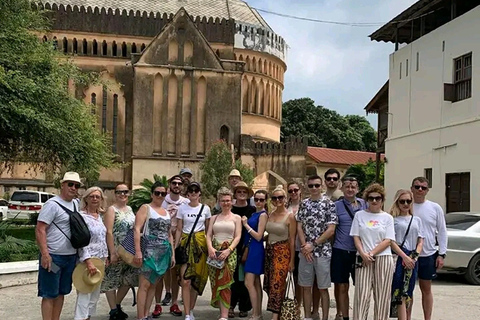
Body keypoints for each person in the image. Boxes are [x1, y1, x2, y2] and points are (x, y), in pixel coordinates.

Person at [36, 172, 82, 320]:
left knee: (62, 292)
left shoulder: (75, 203)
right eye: (70, 184)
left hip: (70, 257)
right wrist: (45, 254)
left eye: (76, 185)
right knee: (49, 294)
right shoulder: (52, 205)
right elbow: (40, 229)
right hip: (54, 258)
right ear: (62, 185)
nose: (73, 188)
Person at [350, 183, 395, 320]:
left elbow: (388, 240)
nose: (374, 201)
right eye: (371, 198)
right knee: (362, 295)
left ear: (382, 200)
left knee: (382, 296)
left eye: (378, 198)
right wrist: (363, 254)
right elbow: (356, 237)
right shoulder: (359, 215)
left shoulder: (388, 217)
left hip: (382, 257)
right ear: (367, 199)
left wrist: (371, 253)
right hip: (363, 257)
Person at [297, 175, 337, 320]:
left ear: (322, 186)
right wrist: (304, 246)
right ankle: (307, 316)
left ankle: (325, 317)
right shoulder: (304, 203)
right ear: (307, 187)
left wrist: (312, 245)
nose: (314, 188)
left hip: (323, 252)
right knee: (306, 287)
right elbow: (299, 226)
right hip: (305, 252)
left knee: (323, 288)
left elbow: (331, 229)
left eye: (317, 185)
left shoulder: (329, 204)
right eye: (311, 186)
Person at [134, 182, 175, 320]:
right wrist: (138, 251)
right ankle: (140, 317)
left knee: (153, 285)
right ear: (152, 194)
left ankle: (146, 314)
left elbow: (169, 234)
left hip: (163, 253)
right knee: (144, 285)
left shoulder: (167, 212)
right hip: (148, 251)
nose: (160, 196)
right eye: (157, 193)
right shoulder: (146, 208)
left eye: (163, 193)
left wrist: (172, 254)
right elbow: (137, 229)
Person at [411, 177, 447, 320]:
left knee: (426, 289)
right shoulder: (405, 204)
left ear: (427, 191)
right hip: (409, 255)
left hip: (428, 254)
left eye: (423, 188)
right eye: (417, 186)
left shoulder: (434, 207)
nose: (420, 190)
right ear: (411, 188)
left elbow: (442, 231)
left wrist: (442, 254)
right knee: (408, 290)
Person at [101, 184, 139, 320]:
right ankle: (113, 311)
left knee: (128, 279)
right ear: (115, 194)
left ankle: (117, 305)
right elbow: (109, 232)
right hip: (116, 250)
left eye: (125, 192)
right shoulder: (112, 210)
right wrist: (112, 252)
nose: (122, 194)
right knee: (111, 279)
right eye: (119, 192)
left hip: (128, 251)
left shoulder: (130, 209)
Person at [331, 176, 366, 320]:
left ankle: (359, 315)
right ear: (342, 188)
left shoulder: (365, 205)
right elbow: (333, 228)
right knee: (342, 286)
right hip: (341, 249)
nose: (350, 189)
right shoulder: (336, 206)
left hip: (360, 251)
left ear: (357, 189)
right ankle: (344, 316)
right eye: (347, 186)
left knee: (361, 286)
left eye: (353, 187)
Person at [175, 182, 212, 320]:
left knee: (196, 279)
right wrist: (176, 247)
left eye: (196, 190)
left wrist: (209, 247)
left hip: (200, 245)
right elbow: (179, 229)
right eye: (191, 191)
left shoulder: (205, 209)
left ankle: (191, 309)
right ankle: (186, 313)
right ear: (187, 193)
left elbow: (208, 230)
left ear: (199, 193)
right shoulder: (182, 209)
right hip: (186, 244)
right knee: (185, 281)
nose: (193, 193)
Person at [155, 175, 189, 317]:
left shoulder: (186, 202)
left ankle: (174, 303)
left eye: (179, 183)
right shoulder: (162, 199)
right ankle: (157, 304)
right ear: (170, 185)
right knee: (159, 274)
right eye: (174, 183)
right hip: (161, 240)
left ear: (182, 186)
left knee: (175, 274)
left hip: (178, 241)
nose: (176, 185)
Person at [206, 187, 242, 320]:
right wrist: (210, 248)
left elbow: (237, 236)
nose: (226, 203)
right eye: (223, 200)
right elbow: (209, 235)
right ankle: (222, 311)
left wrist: (229, 250)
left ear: (232, 201)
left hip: (229, 253)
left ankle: (224, 315)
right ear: (219, 202)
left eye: (228, 200)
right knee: (216, 282)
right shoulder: (214, 218)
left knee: (226, 283)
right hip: (214, 253)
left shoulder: (236, 218)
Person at [74, 187, 109, 320]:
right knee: (84, 292)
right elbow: (80, 241)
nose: (95, 199)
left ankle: (87, 317)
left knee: (95, 294)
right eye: (92, 196)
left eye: (97, 197)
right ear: (86, 199)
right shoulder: (81, 217)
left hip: (100, 259)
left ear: (101, 200)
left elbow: (102, 238)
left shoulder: (99, 216)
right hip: (87, 259)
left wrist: (106, 256)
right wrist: (87, 261)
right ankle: (80, 318)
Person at [390, 189, 424, 320]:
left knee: (409, 291)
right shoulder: (393, 220)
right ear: (397, 202)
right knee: (399, 291)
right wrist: (404, 257)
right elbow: (391, 241)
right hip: (399, 256)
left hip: (413, 258)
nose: (405, 204)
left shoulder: (417, 220)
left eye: (408, 201)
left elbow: (420, 240)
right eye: (402, 201)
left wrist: (414, 257)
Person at [264, 186, 296, 320]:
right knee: (270, 282)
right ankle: (278, 309)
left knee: (278, 282)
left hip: (282, 252)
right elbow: (268, 233)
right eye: (275, 198)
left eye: (280, 197)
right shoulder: (270, 215)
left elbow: (292, 240)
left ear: (285, 199)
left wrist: (292, 261)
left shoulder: (290, 217)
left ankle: (275, 315)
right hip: (269, 251)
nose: (278, 200)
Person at [229, 181, 255, 318]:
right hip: (232, 246)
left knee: (246, 278)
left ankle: (244, 306)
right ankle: (231, 305)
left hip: (247, 245)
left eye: (244, 192)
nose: (241, 194)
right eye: (239, 192)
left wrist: (248, 248)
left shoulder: (251, 210)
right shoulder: (231, 209)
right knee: (232, 278)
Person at [242, 190, 268, 320]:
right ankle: (258, 313)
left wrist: (246, 225)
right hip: (251, 248)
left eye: (261, 200)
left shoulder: (263, 215)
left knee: (249, 282)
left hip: (256, 249)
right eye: (256, 199)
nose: (258, 202)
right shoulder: (254, 213)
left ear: (265, 201)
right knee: (256, 283)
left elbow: (259, 236)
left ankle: (255, 313)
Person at [286, 182, 302, 315]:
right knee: (290, 278)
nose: (293, 193)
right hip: (287, 247)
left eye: (295, 190)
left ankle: (298, 305)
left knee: (300, 279)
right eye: (290, 191)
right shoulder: (286, 207)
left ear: (300, 190)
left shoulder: (306, 205)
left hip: (301, 247)